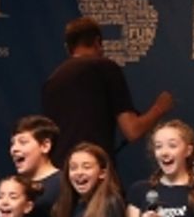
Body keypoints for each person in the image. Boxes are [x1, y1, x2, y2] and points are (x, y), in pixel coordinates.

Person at [41, 17, 173, 165]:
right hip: (95, 172)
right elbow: (132, 131)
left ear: (68, 47)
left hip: (62, 174)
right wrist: (160, 108)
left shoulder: (52, 81)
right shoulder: (105, 68)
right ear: (98, 42)